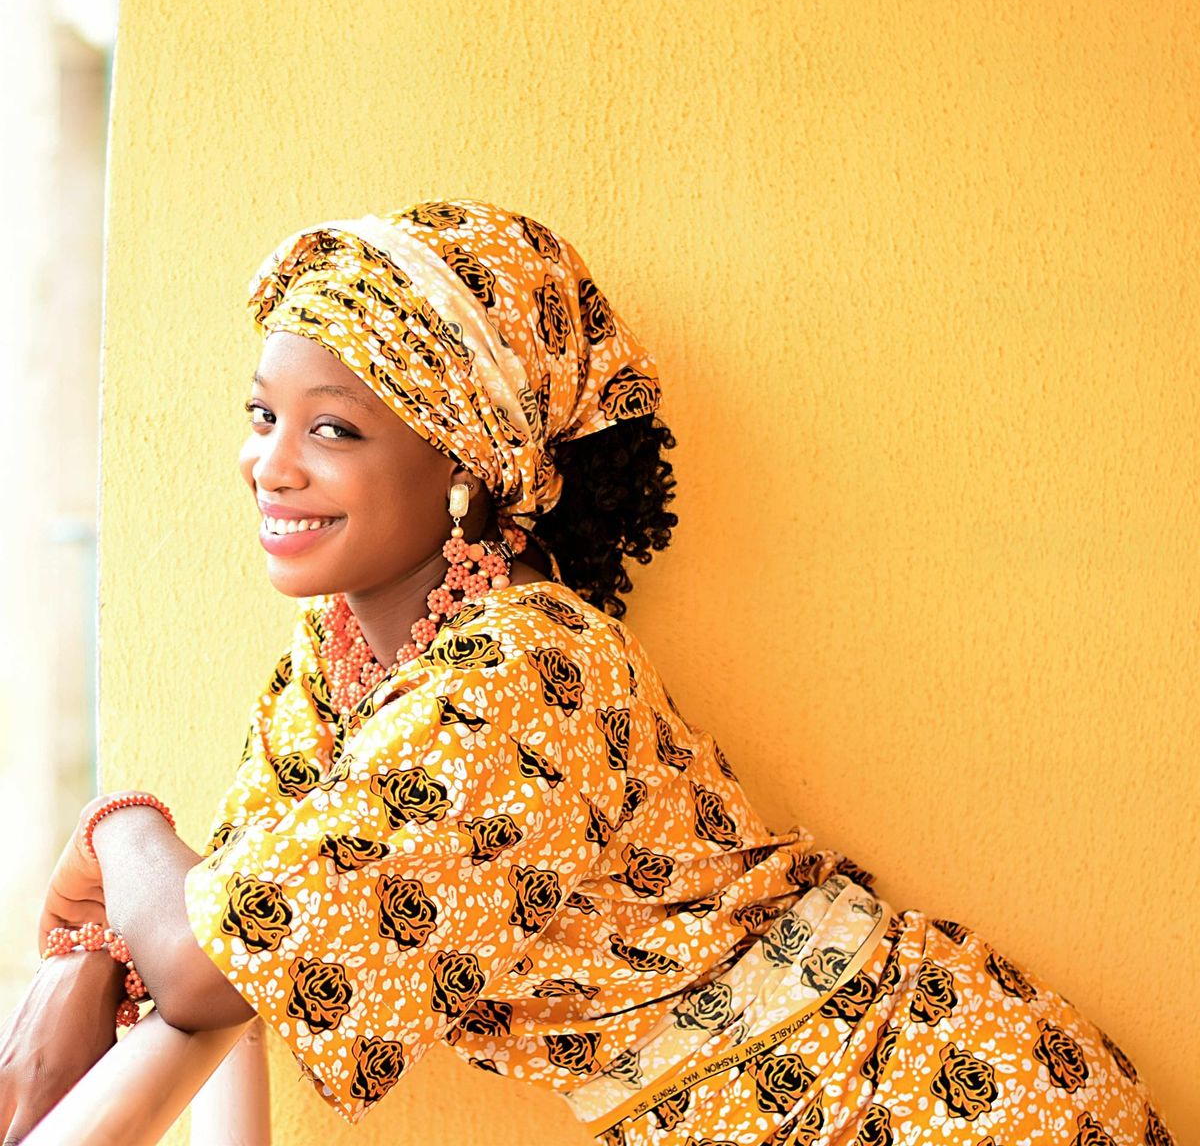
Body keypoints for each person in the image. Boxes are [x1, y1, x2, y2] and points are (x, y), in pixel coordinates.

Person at [0, 198, 1176, 1145]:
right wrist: (80, 971)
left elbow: (216, 958)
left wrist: (117, 827)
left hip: (910, 1100)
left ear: (466, 465)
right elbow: (225, 918)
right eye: (261, 413)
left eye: (334, 429)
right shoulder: (345, 657)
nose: (269, 464)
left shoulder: (526, 670)